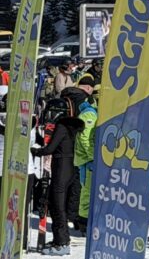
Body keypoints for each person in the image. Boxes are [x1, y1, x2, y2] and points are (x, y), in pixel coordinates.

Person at [31, 98, 83, 255]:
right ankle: (62, 240)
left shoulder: (61, 127)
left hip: (61, 170)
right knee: (60, 207)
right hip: (71, 169)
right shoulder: (72, 128)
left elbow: (50, 149)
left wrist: (36, 151)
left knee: (57, 207)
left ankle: (61, 243)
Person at [67, 81, 97, 232]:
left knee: (86, 190)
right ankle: (83, 222)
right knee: (86, 191)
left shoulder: (89, 112)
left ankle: (83, 220)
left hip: (85, 158)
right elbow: (85, 137)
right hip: (87, 160)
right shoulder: (90, 114)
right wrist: (93, 156)